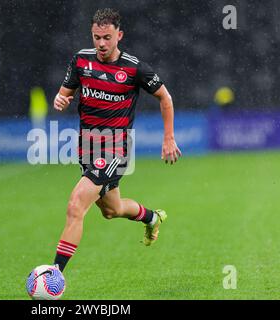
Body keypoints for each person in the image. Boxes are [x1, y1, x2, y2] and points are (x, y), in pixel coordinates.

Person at [51, 8, 182, 272]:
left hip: (114, 148)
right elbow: (64, 95)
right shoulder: (80, 61)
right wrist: (59, 99)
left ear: (119, 36)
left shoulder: (134, 69)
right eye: (96, 37)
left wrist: (168, 138)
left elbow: (165, 98)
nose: (101, 43)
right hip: (86, 146)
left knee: (76, 204)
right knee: (112, 210)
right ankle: (152, 217)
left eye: (107, 37)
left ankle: (54, 275)